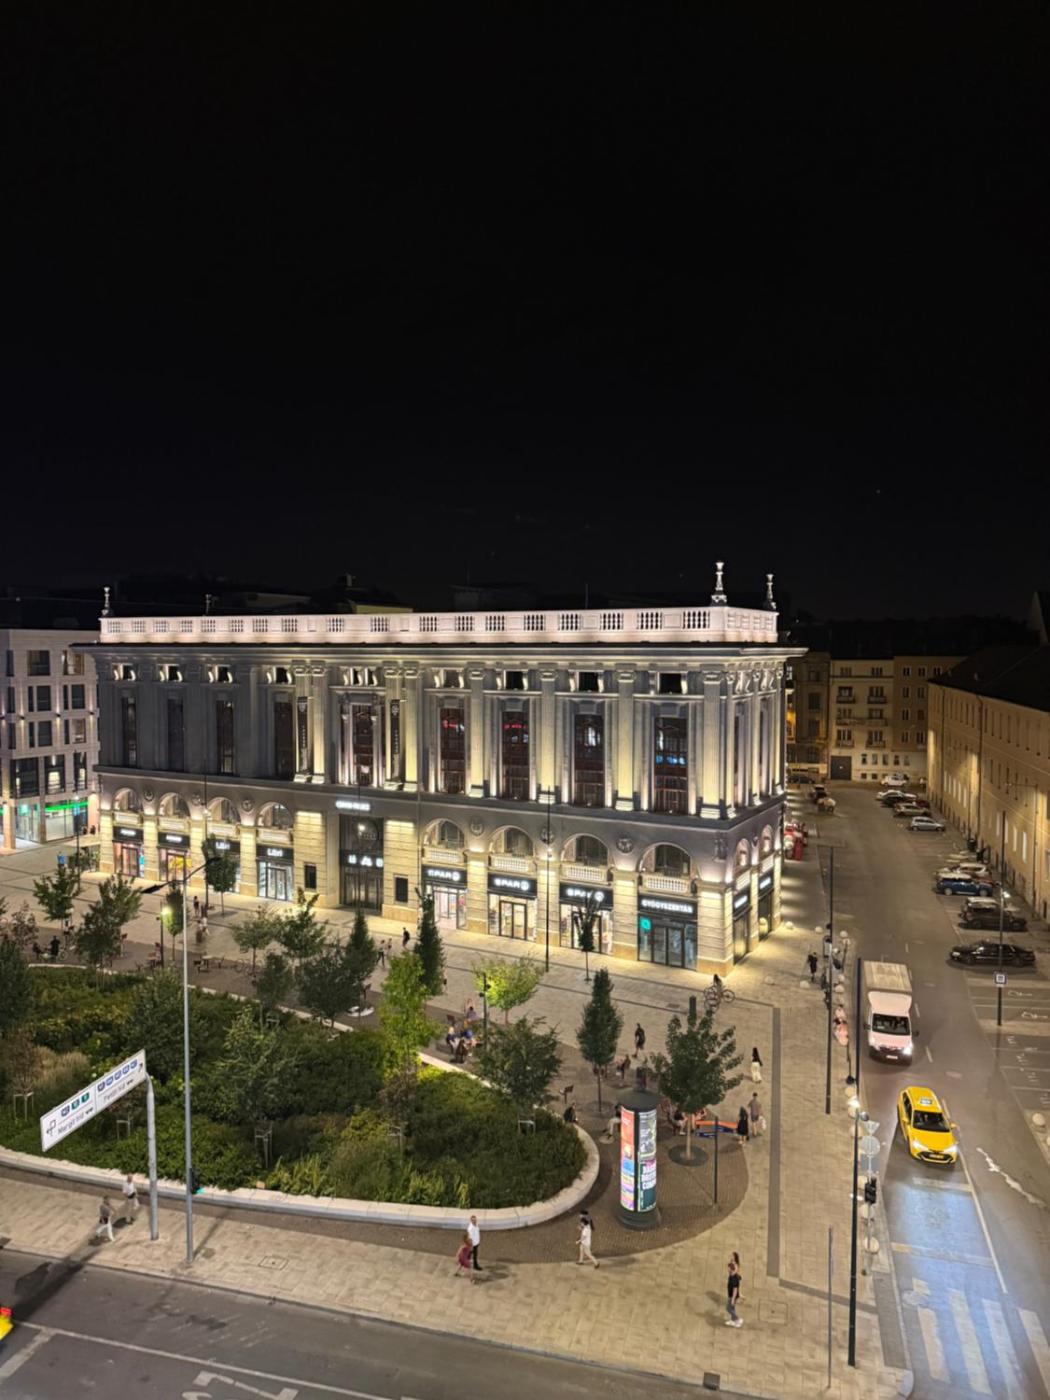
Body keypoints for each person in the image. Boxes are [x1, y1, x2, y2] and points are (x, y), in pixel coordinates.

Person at [726, 1257, 743, 1326]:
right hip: (731, 1295)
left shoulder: (734, 1279)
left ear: (731, 1269)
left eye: (729, 1268)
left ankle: (737, 1319)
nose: (728, 1269)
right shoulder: (733, 1274)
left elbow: (735, 1290)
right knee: (732, 1308)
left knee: (728, 1308)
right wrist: (733, 1262)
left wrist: (733, 1299)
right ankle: (733, 1320)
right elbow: (736, 1268)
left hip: (732, 1296)